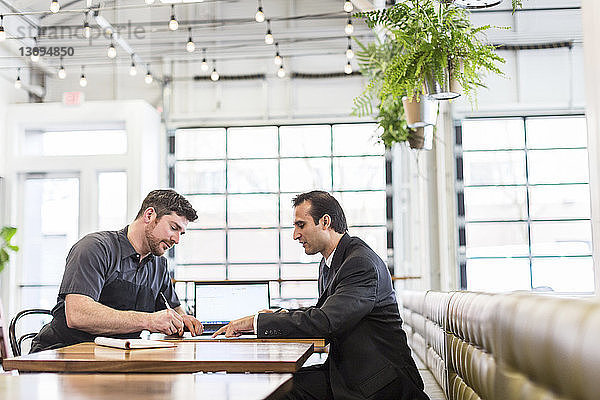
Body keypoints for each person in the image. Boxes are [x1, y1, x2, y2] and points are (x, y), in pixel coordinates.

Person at [213, 190, 429, 400]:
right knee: (272, 383)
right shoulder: (332, 262)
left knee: (275, 391)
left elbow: (325, 322)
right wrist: (277, 315)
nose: (295, 235)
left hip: (378, 384)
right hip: (349, 373)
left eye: (301, 225)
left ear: (325, 222)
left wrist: (256, 322)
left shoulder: (360, 263)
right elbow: (324, 312)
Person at [30, 189, 203, 353]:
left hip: (116, 358)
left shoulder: (159, 265)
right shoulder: (95, 248)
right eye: (173, 228)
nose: (177, 240)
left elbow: (175, 310)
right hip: (64, 354)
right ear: (149, 215)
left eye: (182, 233)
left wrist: (183, 320)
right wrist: (149, 320)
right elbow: (78, 315)